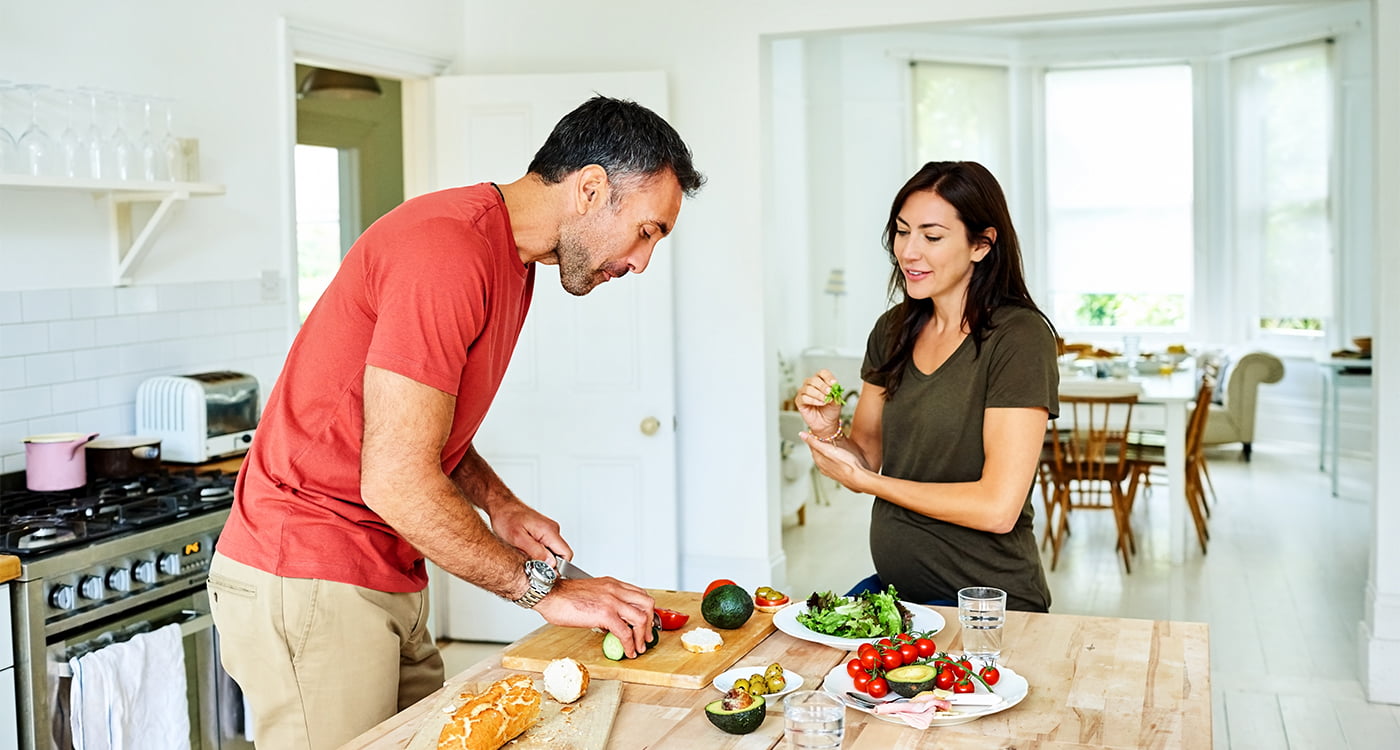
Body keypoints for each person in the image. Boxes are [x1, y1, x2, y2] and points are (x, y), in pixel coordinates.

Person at [207, 95, 705, 748]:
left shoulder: (514, 260)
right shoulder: (448, 252)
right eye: (647, 231)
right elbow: (395, 478)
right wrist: (541, 593)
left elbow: (416, 424)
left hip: (384, 563)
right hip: (310, 571)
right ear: (590, 187)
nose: (641, 262)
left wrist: (501, 504)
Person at [796, 161, 1057, 613]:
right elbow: (867, 459)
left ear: (981, 244)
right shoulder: (893, 330)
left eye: (931, 237)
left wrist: (873, 484)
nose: (909, 252)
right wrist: (828, 431)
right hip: (902, 594)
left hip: (984, 603)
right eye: (901, 232)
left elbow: (998, 507)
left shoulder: (1019, 338)